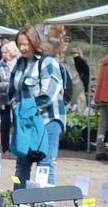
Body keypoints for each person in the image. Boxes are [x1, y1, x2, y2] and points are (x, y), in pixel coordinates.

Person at [9, 25, 67, 187]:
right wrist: (14, 105)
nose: (22, 48)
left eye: (25, 44)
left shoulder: (48, 63)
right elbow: (12, 90)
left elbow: (49, 93)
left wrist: (25, 108)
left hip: (47, 119)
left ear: (35, 42)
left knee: (45, 163)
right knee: (22, 162)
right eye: (19, 44)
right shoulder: (20, 63)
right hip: (26, 122)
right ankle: (19, 203)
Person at [0, 41, 20, 158]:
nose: (3, 54)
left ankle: (17, 147)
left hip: (17, 98)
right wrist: (8, 85)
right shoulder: (0, 65)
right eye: (3, 52)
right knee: (5, 125)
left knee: (18, 123)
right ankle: (5, 149)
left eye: (6, 52)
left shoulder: (19, 63)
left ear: (12, 53)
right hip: (3, 98)